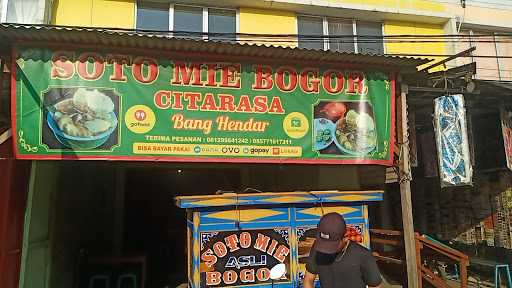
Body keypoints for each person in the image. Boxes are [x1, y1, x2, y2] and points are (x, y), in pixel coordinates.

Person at [303, 212, 382, 288]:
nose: (325, 248)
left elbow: (375, 286)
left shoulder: (362, 255)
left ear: (345, 237)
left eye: (331, 244)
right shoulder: (318, 248)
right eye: (323, 243)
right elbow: (308, 280)